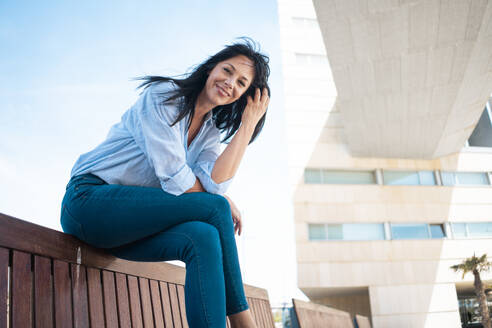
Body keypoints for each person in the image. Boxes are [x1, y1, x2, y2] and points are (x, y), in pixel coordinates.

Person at [60, 38, 270, 328]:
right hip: (88, 203)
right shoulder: (164, 96)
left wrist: (246, 126)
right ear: (211, 68)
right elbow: (180, 182)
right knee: (215, 208)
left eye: (241, 82)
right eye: (227, 70)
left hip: (128, 231)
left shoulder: (209, 130)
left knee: (203, 236)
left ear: (243, 96)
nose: (230, 82)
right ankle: (243, 320)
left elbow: (214, 187)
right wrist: (218, 200)